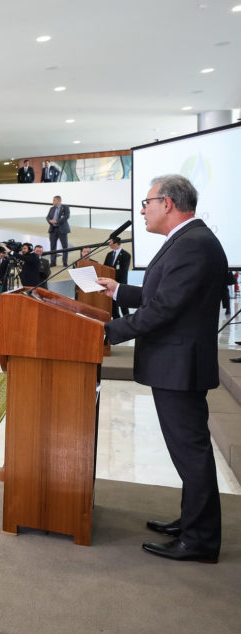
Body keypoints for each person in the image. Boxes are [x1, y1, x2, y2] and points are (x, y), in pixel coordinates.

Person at [96, 174, 226, 564]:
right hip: (176, 362)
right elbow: (163, 295)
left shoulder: (194, 245)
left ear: (167, 203)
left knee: (191, 451)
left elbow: (166, 310)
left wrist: (107, 331)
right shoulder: (189, 241)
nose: (143, 211)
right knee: (188, 450)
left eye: (146, 203)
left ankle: (200, 539)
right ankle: (191, 520)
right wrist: (119, 292)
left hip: (180, 365)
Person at [103, 238, 131, 319]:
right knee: (114, 309)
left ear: (115, 242)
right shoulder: (109, 255)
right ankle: (117, 323)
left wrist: (115, 282)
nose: (109, 243)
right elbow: (105, 268)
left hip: (120, 285)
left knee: (124, 307)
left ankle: (128, 323)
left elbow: (123, 271)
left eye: (110, 241)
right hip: (110, 286)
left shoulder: (126, 255)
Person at [46, 196, 71, 266]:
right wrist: (50, 221)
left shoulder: (65, 207)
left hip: (62, 229)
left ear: (58, 201)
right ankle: (53, 262)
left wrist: (56, 221)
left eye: (54, 200)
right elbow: (47, 217)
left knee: (64, 246)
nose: (53, 202)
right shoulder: (51, 208)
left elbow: (67, 216)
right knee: (53, 246)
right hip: (53, 229)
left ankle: (65, 262)